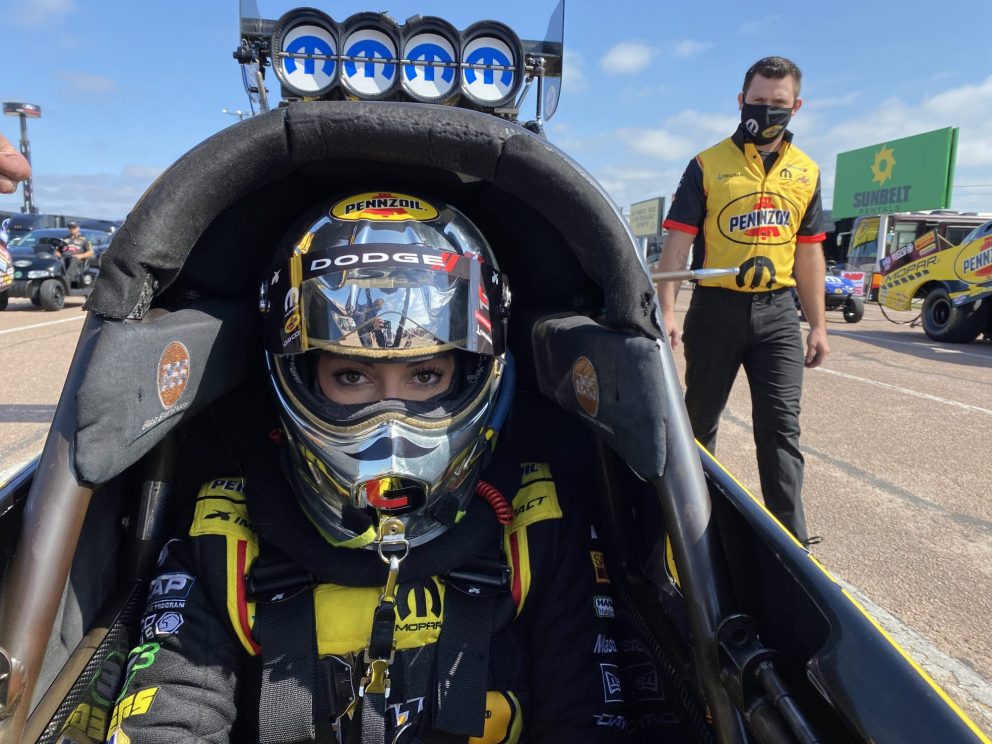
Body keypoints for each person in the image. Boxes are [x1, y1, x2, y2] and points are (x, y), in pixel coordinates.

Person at [104, 193, 626, 743]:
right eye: (352, 376)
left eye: (426, 376)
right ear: (301, 376)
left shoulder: (535, 525)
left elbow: (590, 718)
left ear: (474, 374)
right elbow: (168, 719)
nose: (390, 418)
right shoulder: (224, 538)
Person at [657, 56, 829, 543]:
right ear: (741, 100)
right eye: (758, 101)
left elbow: (809, 254)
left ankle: (792, 543)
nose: (767, 111)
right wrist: (667, 310)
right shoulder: (707, 164)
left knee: (780, 431)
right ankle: (691, 536)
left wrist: (818, 325)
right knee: (698, 426)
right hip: (715, 311)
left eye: (778, 104)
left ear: (796, 106)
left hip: (778, 316)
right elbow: (677, 242)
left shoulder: (807, 171)